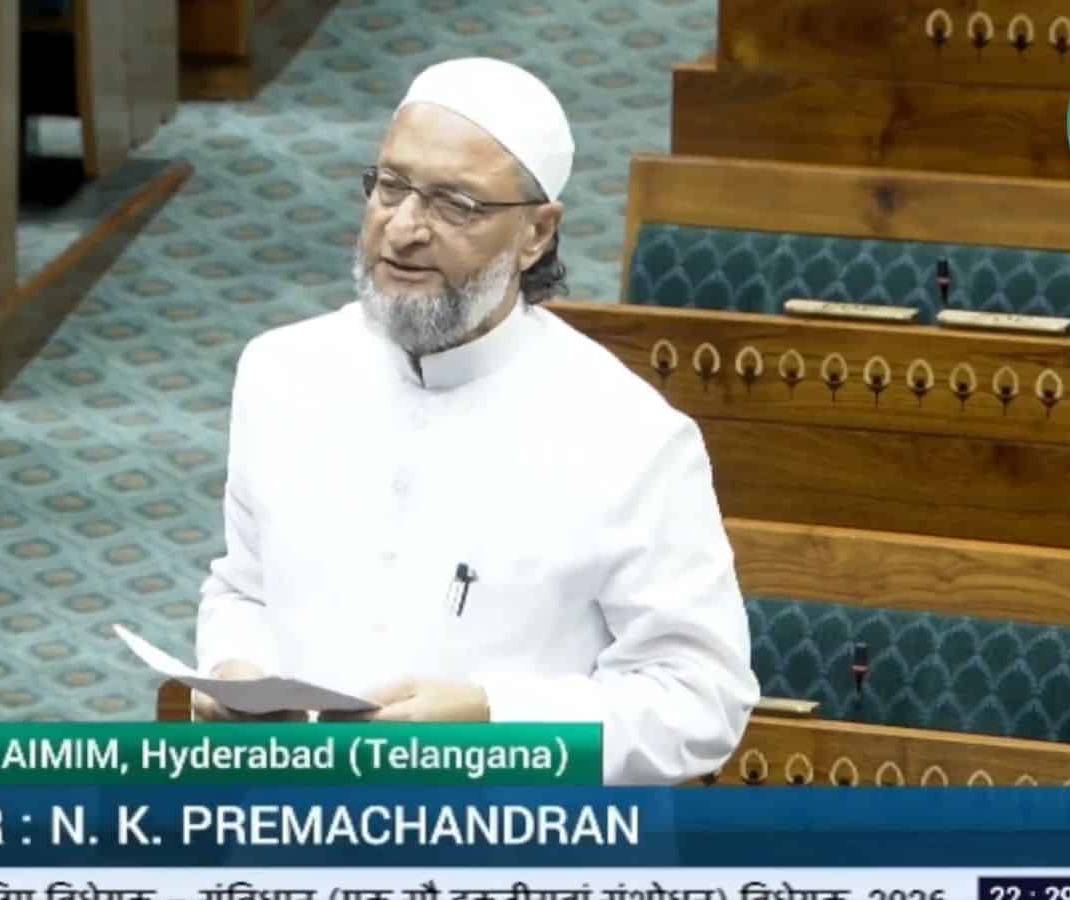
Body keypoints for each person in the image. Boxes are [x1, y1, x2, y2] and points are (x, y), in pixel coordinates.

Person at [191, 57, 760, 785]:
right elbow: (244, 589)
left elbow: (700, 699)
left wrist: (495, 721)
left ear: (536, 233)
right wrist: (237, 670)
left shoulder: (630, 436)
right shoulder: (283, 371)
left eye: (455, 205)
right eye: (390, 187)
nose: (403, 229)